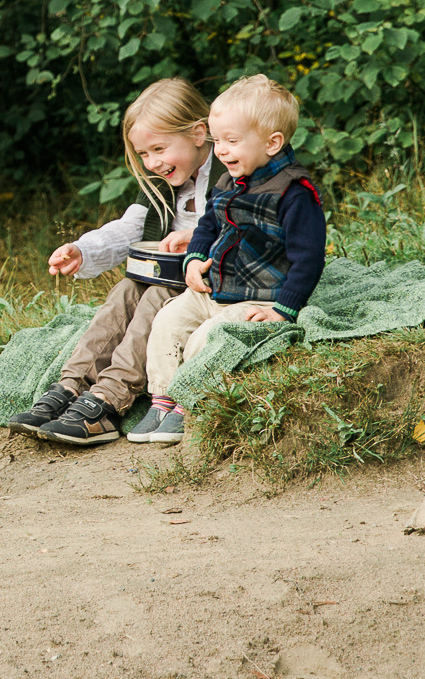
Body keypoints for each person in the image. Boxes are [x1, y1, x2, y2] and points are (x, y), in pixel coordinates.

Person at [8, 78, 221, 446]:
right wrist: (83, 250)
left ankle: (108, 400)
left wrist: (203, 239)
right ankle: (71, 386)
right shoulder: (164, 182)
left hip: (211, 283)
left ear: (198, 133)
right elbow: (131, 227)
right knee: (126, 289)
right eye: (143, 155)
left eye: (159, 149)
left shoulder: (231, 169)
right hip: (169, 276)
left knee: (155, 296)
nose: (152, 163)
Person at [129, 75, 326, 445]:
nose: (220, 151)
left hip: (260, 297)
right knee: (167, 320)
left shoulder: (295, 194)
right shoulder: (230, 183)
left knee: (209, 337)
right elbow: (206, 225)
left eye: (231, 141)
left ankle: (191, 402)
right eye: (218, 140)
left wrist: (283, 310)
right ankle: (163, 398)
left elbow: (310, 259)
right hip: (217, 288)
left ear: (272, 143)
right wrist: (195, 258)